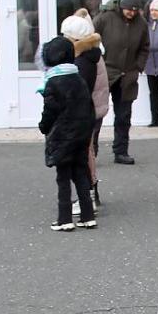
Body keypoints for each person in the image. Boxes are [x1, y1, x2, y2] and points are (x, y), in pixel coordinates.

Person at [37, 36, 97, 232]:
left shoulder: (53, 82)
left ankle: (64, 218)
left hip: (62, 136)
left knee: (63, 177)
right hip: (81, 134)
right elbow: (89, 107)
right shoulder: (78, 78)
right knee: (80, 173)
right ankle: (87, 216)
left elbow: (50, 110)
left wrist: (44, 126)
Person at [94, 0, 149, 165]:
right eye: (129, 9)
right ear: (122, 6)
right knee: (96, 115)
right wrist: (97, 64)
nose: (132, 13)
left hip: (128, 76)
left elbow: (145, 47)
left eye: (135, 10)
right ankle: (90, 152)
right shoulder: (105, 18)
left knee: (124, 116)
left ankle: (121, 151)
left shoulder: (141, 23)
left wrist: (138, 67)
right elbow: (91, 39)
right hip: (106, 73)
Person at [61, 11, 106, 212]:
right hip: (92, 109)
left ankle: (87, 197)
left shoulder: (83, 60)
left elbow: (80, 91)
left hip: (86, 113)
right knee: (87, 152)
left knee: (83, 155)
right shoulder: (91, 53)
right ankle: (89, 194)